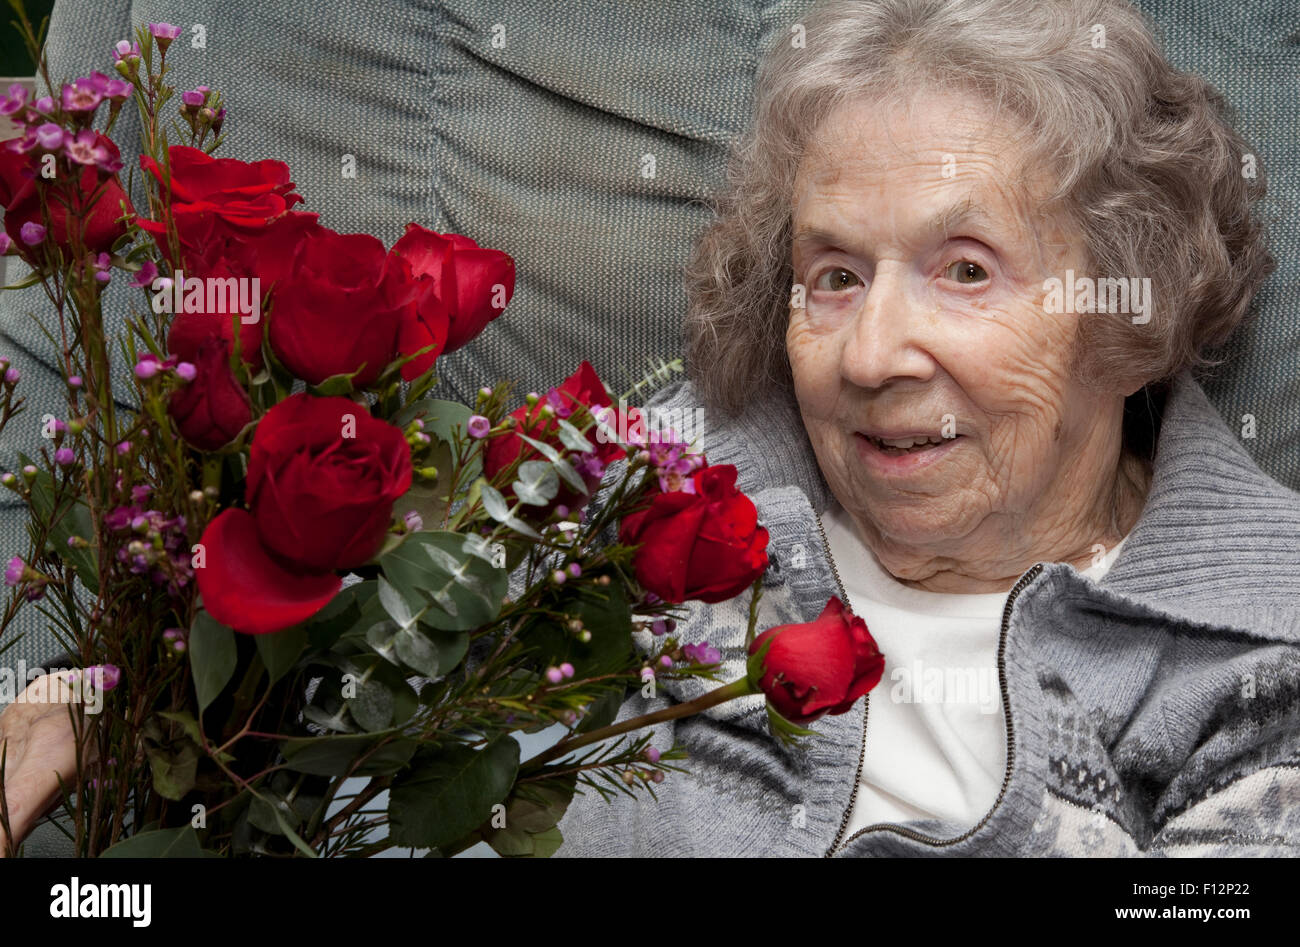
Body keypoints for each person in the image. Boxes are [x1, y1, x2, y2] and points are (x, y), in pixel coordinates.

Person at [552, 0, 1300, 856]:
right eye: (835, 275)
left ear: (1129, 318)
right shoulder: (658, 488)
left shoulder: (1258, 658)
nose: (870, 358)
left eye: (967, 270)